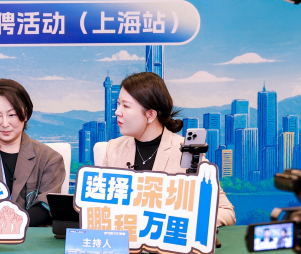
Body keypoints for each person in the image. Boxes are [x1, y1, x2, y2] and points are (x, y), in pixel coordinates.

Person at [95, 72, 235, 226]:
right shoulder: (113, 148)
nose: (117, 112)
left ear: (150, 115)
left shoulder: (187, 151)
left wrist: (185, 221)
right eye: (118, 104)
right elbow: (100, 206)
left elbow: (226, 211)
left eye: (126, 106)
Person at [0, 79, 66, 227]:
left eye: (12, 115)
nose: (5, 124)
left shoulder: (50, 158)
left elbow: (46, 206)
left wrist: (11, 224)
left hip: (31, 233)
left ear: (25, 114)